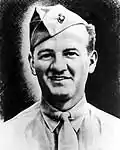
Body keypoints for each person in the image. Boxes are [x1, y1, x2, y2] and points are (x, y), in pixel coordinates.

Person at [0, 4, 120, 150]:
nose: (58, 66)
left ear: (91, 61)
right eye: (47, 55)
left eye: (70, 53)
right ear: (32, 63)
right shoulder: (6, 137)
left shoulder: (115, 135)